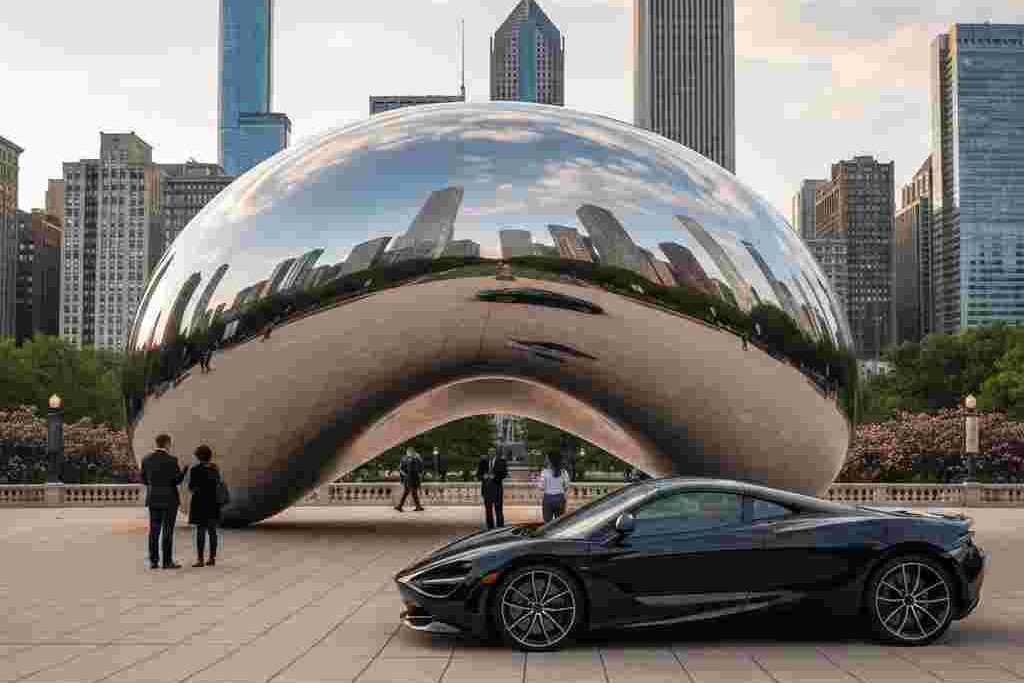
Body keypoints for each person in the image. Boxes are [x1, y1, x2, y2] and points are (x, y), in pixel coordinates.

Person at [140, 434, 188, 569]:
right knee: (168, 530)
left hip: (153, 499)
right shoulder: (172, 460)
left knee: (154, 531)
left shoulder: (146, 459)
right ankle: (167, 561)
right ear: (167, 443)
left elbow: (143, 479)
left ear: (156, 443)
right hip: (169, 500)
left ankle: (153, 561)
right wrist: (184, 471)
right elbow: (177, 480)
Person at [188, 445, 224, 567]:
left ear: (198, 457)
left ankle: (200, 559)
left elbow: (191, 488)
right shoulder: (215, 469)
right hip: (213, 503)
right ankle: (212, 558)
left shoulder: (195, 470)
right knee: (212, 531)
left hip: (200, 503)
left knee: (200, 531)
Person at [476, 447, 508, 529]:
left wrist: (494, 477)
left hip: (497, 490)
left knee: (499, 511)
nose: (491, 454)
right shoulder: (483, 462)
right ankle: (490, 529)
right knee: (488, 511)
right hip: (486, 490)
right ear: (488, 453)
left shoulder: (501, 462)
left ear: (495, 453)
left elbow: (504, 474)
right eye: (489, 452)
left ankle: (500, 529)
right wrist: (484, 476)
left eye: (492, 452)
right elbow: (478, 475)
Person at [539, 450, 570, 523]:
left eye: (547, 458)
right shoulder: (564, 472)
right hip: (560, 499)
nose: (546, 460)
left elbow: (541, 487)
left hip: (548, 499)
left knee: (547, 523)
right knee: (559, 523)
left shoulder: (544, 472)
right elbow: (566, 486)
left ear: (550, 460)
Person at [394, 448, 424, 512]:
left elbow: (400, 469)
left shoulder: (404, 459)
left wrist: (404, 476)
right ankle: (418, 507)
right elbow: (418, 469)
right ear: (412, 452)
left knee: (407, 493)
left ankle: (400, 506)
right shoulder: (413, 459)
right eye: (413, 453)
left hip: (407, 478)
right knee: (413, 493)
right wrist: (419, 458)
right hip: (412, 479)